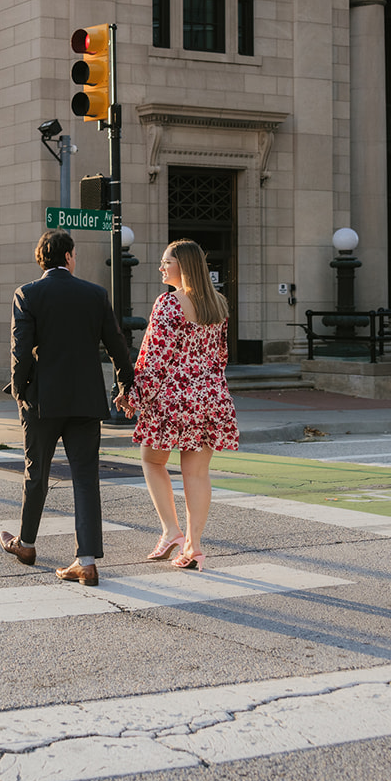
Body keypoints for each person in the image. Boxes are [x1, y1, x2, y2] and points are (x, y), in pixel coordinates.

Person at [0, 230, 135, 587]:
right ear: (70, 257)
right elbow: (118, 346)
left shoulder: (27, 294)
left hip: (42, 400)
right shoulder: (95, 294)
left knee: (37, 473)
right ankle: (86, 561)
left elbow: (20, 350)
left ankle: (26, 544)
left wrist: (20, 391)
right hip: (86, 400)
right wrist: (125, 386)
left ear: (40, 259)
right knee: (86, 479)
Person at [119, 239, 240, 572]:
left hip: (173, 398)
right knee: (197, 473)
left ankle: (172, 531)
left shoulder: (169, 304)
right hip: (211, 396)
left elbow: (155, 358)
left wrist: (135, 396)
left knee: (151, 460)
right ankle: (194, 547)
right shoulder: (218, 304)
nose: (161, 267)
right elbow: (221, 357)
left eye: (166, 261)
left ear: (183, 265)